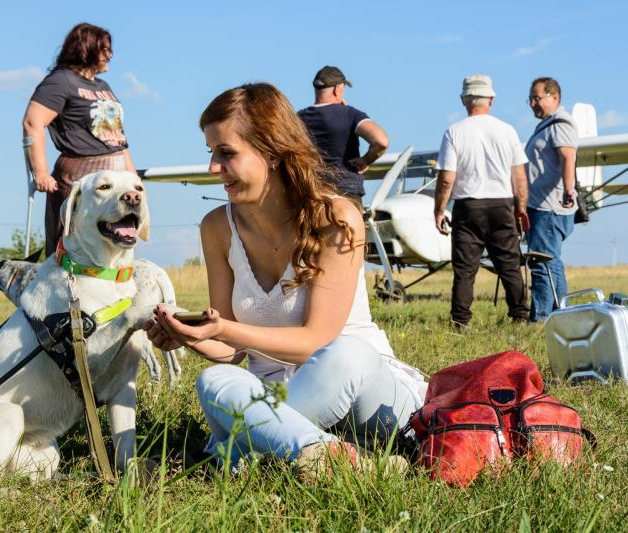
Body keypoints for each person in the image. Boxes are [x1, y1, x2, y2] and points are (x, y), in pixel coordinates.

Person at [143, 83, 425, 477]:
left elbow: (315, 342)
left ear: (272, 152)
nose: (212, 167)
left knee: (346, 353)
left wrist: (224, 329)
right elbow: (231, 352)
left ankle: (224, 457)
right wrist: (193, 336)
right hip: (277, 396)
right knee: (216, 379)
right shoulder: (216, 228)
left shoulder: (337, 216)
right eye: (211, 153)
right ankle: (336, 456)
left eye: (226, 153)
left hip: (366, 399)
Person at [22, 22, 136, 258]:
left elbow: (118, 138)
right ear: (87, 49)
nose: (110, 55)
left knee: (118, 245)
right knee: (71, 247)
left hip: (116, 169)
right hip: (81, 173)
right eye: (104, 49)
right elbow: (33, 122)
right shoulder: (61, 81)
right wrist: (41, 173)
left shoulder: (103, 86)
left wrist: (133, 179)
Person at [433, 74, 530, 327]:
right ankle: (519, 315)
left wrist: (439, 210)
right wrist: (520, 209)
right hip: (502, 203)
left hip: (468, 206)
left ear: (465, 99)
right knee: (509, 264)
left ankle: (461, 321)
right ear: (491, 99)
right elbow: (519, 177)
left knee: (465, 269)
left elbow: (446, 178)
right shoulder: (508, 131)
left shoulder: (453, 132)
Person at [297, 66, 390, 208]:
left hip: (312, 193)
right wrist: (366, 160)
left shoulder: (298, 118)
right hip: (346, 191)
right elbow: (381, 141)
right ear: (337, 88)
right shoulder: (350, 114)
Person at [525, 77, 578, 322]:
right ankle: (560, 314)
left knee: (542, 261)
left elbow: (568, 157)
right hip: (542, 207)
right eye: (531, 99)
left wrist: (569, 189)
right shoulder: (548, 125)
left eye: (537, 98)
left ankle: (543, 316)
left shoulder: (560, 123)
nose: (533, 103)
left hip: (548, 207)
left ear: (554, 97)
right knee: (550, 260)